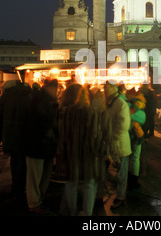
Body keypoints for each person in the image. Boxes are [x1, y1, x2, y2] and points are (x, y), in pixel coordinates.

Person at [57, 84, 99, 216]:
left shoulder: (63, 112)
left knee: (71, 183)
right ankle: (88, 213)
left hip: (70, 153)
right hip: (87, 154)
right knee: (89, 183)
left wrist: (61, 152)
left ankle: (72, 211)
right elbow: (95, 135)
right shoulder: (91, 112)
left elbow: (61, 135)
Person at [23, 80, 59, 214]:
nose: (57, 91)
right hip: (37, 145)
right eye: (56, 89)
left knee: (41, 174)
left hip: (43, 145)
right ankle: (34, 203)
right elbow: (42, 122)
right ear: (49, 88)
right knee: (35, 176)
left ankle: (38, 200)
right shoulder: (41, 101)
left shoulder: (46, 100)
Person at [0, 79, 32, 203]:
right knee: (23, 161)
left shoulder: (6, 95)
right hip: (25, 133)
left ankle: (15, 186)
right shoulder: (29, 94)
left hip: (10, 132)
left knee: (14, 159)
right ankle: (20, 188)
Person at [104, 81, 131, 210]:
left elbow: (123, 125)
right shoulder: (111, 103)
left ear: (113, 90)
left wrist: (112, 136)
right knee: (114, 172)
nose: (104, 91)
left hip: (120, 145)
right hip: (112, 144)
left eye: (107, 88)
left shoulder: (120, 104)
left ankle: (120, 197)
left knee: (121, 174)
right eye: (104, 88)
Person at [127, 92, 146, 190]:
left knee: (131, 158)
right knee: (135, 158)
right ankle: (133, 180)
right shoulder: (141, 113)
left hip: (130, 136)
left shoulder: (130, 109)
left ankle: (130, 179)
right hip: (136, 136)